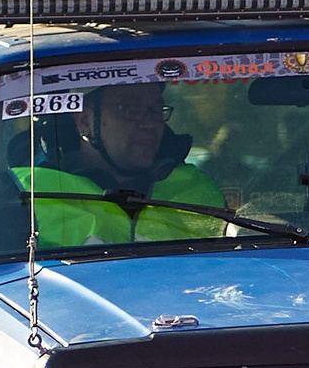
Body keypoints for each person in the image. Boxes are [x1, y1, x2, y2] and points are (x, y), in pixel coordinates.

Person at [15, 81, 225, 247]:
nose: (150, 123)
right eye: (129, 109)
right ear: (84, 121)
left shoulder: (198, 189)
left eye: (156, 110)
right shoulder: (22, 192)